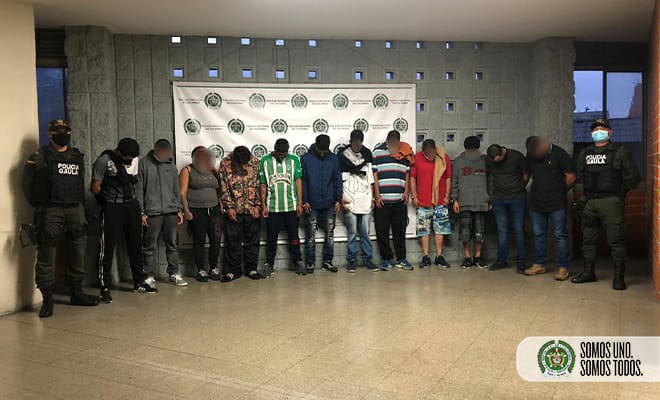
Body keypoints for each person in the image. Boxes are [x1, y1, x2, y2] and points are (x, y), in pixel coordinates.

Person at [21, 119, 99, 318]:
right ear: (50, 134)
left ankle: (77, 293)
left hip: (75, 208)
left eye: (66, 131)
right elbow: (27, 185)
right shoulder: (39, 156)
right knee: (47, 251)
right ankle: (47, 300)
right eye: (59, 131)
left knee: (78, 250)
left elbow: (79, 182)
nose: (63, 134)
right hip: (51, 209)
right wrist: (41, 204)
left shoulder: (76, 156)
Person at [572, 119, 641, 290]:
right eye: (595, 129)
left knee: (616, 241)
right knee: (588, 240)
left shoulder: (620, 151)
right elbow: (580, 174)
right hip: (589, 201)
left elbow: (633, 177)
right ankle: (588, 273)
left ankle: (619, 278)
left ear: (610, 132)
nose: (598, 131)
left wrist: (619, 194)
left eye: (602, 128)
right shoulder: (585, 153)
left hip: (611, 202)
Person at [92, 137, 157, 303]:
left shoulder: (134, 159)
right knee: (107, 248)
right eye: (127, 157)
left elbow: (133, 182)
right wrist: (108, 198)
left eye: (132, 158)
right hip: (113, 206)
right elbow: (95, 187)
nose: (130, 160)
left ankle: (139, 282)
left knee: (136, 245)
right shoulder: (104, 160)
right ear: (119, 152)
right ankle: (104, 287)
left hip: (131, 205)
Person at [136, 139, 187, 287]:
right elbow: (139, 190)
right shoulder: (143, 164)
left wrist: (179, 209)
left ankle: (173, 273)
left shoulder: (171, 166)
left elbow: (176, 189)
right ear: (156, 150)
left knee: (172, 244)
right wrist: (141, 212)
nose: (164, 154)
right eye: (162, 151)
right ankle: (148, 275)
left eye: (167, 152)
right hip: (152, 212)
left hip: (171, 211)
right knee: (149, 246)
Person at [524, 136, 575, 281]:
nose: (536, 157)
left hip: (556, 203)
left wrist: (559, 192)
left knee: (559, 235)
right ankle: (539, 264)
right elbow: (528, 174)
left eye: (538, 154)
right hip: (536, 202)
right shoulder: (531, 154)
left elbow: (570, 177)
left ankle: (563, 267)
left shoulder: (560, 154)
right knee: (538, 235)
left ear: (545, 146)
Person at [260, 138, 304, 276]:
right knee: (271, 238)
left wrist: (299, 203)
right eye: (279, 153)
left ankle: (297, 262)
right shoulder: (265, 161)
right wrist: (263, 205)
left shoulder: (294, 160)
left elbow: (298, 181)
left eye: (284, 154)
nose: (282, 156)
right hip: (273, 207)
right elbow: (263, 184)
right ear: (275, 150)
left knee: (294, 236)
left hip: (291, 206)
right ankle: (269, 264)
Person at [219, 146, 263, 282]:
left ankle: (251, 269)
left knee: (253, 242)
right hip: (234, 211)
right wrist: (229, 207)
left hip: (252, 210)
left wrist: (258, 206)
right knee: (233, 242)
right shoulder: (225, 164)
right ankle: (233, 271)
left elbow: (260, 186)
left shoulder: (256, 163)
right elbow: (224, 187)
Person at [179, 146, 222, 282]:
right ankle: (201, 269)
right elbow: (182, 193)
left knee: (216, 240)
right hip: (196, 210)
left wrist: (220, 205)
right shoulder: (187, 170)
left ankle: (213, 268)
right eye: (200, 156)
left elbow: (218, 189)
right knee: (199, 240)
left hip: (214, 210)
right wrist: (186, 210)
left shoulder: (212, 170)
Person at [301, 134, 343, 274]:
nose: (322, 153)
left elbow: (337, 179)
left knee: (330, 234)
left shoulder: (334, 159)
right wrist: (305, 200)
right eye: (320, 150)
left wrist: (338, 199)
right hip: (311, 203)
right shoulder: (306, 159)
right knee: (310, 234)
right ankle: (310, 262)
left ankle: (327, 261)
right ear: (316, 145)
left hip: (329, 202)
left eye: (325, 151)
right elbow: (303, 181)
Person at [372, 130, 413, 271]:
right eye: (392, 144)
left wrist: (406, 191)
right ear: (387, 142)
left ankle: (401, 258)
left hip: (399, 201)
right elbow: (375, 175)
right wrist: (377, 196)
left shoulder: (404, 153)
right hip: (382, 201)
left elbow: (407, 173)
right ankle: (386, 260)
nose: (394, 147)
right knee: (382, 232)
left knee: (399, 232)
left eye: (396, 144)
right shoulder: (377, 153)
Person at [485, 144, 529, 273]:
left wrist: (519, 187)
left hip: (517, 198)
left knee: (518, 230)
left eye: (498, 160)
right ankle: (502, 260)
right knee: (501, 230)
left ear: (503, 153)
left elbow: (526, 174)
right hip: (498, 199)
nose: (496, 163)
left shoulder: (516, 156)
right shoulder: (490, 160)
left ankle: (521, 262)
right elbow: (489, 176)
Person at [338, 130, 376, 272]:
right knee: (352, 232)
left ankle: (368, 259)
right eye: (354, 142)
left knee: (365, 232)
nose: (357, 145)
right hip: (350, 200)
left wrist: (373, 197)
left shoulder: (367, 156)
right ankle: (352, 260)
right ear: (350, 141)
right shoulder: (342, 156)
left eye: (359, 142)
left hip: (365, 200)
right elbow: (339, 180)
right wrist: (341, 198)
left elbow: (371, 180)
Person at [410, 138, 452, 268]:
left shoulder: (443, 157)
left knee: (440, 229)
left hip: (440, 200)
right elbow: (412, 178)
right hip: (423, 201)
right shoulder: (416, 158)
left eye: (432, 153)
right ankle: (426, 256)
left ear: (435, 149)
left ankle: (439, 256)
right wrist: (414, 196)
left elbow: (448, 178)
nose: (430, 156)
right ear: (423, 152)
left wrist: (447, 196)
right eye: (427, 154)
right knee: (424, 230)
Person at [451, 136, 490, 269]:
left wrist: (490, 199)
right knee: (465, 232)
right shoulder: (458, 162)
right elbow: (454, 182)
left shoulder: (485, 161)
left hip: (481, 201)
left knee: (480, 231)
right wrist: (454, 200)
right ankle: (467, 257)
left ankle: (478, 257)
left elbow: (491, 181)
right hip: (464, 201)